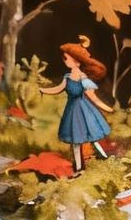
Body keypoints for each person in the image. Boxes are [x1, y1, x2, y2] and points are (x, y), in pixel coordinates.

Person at [44, 39, 114, 172]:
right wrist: (43, 90)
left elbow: (94, 98)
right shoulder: (67, 77)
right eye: (64, 58)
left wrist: (108, 108)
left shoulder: (84, 79)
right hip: (72, 112)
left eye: (66, 58)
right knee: (75, 142)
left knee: (92, 137)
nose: (65, 60)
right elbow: (58, 88)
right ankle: (79, 167)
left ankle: (105, 157)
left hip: (85, 111)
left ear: (77, 61)